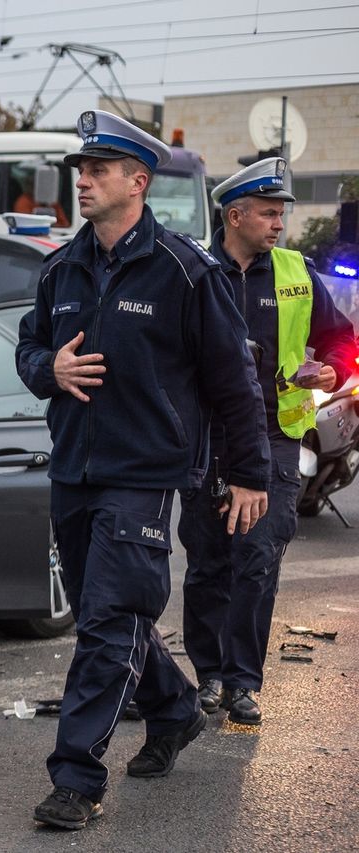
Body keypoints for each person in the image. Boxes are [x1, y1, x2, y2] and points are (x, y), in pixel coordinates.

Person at [15, 110, 271, 831]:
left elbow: (233, 383)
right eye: (81, 170)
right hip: (74, 470)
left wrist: (251, 473)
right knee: (114, 618)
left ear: (138, 181)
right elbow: (30, 349)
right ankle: (176, 705)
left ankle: (76, 777)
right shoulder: (60, 267)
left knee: (105, 620)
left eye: (98, 170)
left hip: (147, 474)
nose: (84, 180)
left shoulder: (185, 270)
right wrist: (49, 368)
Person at [179, 158, 355, 726]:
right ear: (235, 215)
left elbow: (339, 341)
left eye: (282, 214)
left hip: (278, 434)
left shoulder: (297, 272)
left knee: (257, 558)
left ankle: (241, 682)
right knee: (208, 561)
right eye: (270, 213)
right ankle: (207, 676)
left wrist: (329, 371)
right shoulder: (192, 271)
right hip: (207, 439)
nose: (280, 223)